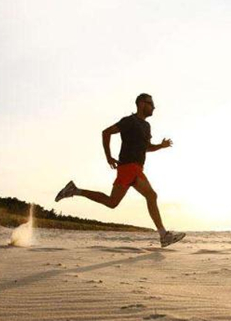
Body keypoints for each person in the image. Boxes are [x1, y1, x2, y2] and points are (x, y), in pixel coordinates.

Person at [55, 93, 185, 248]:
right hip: (129, 167)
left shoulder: (146, 126)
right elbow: (106, 132)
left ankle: (74, 190)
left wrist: (160, 146)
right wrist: (108, 156)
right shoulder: (129, 121)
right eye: (151, 104)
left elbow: (146, 148)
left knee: (113, 202)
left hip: (134, 168)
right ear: (141, 104)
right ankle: (163, 235)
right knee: (150, 195)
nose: (154, 107)